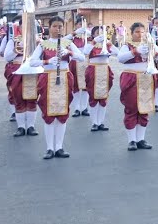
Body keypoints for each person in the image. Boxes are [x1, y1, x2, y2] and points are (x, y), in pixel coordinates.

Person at [27, 16, 85, 160]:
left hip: (64, 78)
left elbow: (82, 57)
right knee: (49, 113)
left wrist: (70, 53)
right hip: (48, 78)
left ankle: (59, 147)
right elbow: (32, 62)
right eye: (55, 26)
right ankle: (49, 148)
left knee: (62, 113)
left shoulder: (67, 43)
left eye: (60, 26)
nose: (57, 29)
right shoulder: (43, 44)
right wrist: (46, 61)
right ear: (49, 27)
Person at [117, 22, 158, 152]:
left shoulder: (149, 44)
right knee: (131, 108)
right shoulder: (126, 45)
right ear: (131, 33)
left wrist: (154, 52)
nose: (140, 34)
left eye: (143, 32)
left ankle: (141, 139)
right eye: (137, 32)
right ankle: (131, 140)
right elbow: (120, 59)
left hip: (146, 78)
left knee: (144, 109)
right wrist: (135, 51)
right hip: (131, 77)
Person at [84, 26, 116, 132]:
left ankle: (101, 122)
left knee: (103, 97)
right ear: (93, 34)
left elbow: (118, 53)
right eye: (98, 33)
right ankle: (94, 122)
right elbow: (85, 52)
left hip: (105, 69)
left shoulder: (106, 44)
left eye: (102, 33)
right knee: (93, 96)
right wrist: (94, 42)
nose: (100, 35)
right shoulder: (90, 43)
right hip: (93, 69)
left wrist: (109, 43)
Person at [0, 21, 24, 126]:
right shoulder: (11, 39)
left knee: (30, 92)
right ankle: (14, 112)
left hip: (29, 68)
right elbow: (3, 53)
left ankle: (28, 116)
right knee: (14, 90)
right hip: (14, 67)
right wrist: (15, 51)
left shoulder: (34, 39)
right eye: (23, 27)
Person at [68, 22, 92, 118]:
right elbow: (64, 40)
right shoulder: (72, 37)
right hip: (75, 61)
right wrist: (75, 33)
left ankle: (84, 107)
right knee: (75, 86)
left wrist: (88, 32)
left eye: (82, 25)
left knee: (86, 86)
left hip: (86, 61)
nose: (81, 27)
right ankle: (77, 108)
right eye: (79, 25)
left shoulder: (88, 36)